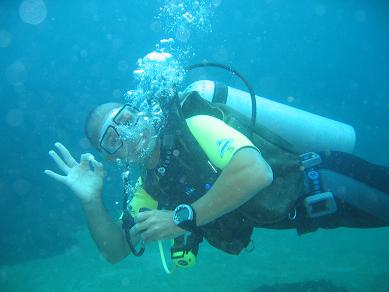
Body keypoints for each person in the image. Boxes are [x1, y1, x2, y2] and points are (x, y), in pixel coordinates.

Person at [45, 89, 389, 265]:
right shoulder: (147, 189)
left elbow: (255, 172)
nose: (127, 132)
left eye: (127, 117)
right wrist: (90, 200)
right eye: (112, 136)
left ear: (142, 113)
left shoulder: (194, 127)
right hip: (325, 212)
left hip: (331, 181)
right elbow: (117, 251)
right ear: (112, 155)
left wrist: (183, 219)